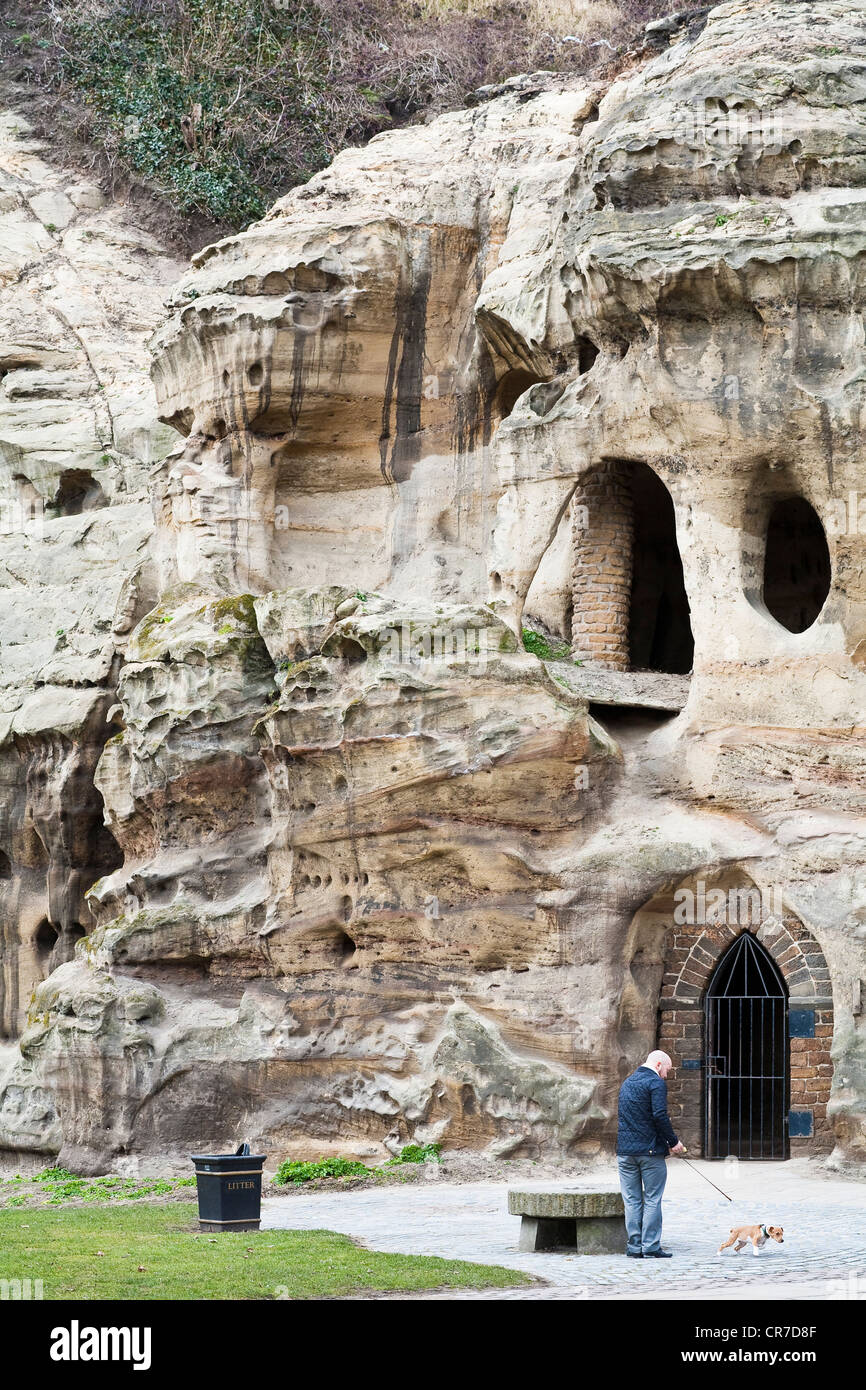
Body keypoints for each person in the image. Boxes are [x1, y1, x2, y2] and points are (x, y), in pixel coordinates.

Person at [616, 1049, 685, 1258]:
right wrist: (673, 1142)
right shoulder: (655, 1083)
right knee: (653, 1199)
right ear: (658, 1065)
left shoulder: (627, 1083)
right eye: (667, 1070)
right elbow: (659, 1115)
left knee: (632, 1200)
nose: (666, 1075)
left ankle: (634, 1247)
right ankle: (651, 1246)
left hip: (625, 1153)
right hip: (649, 1152)